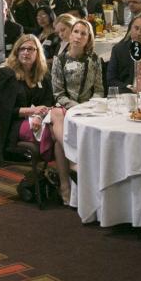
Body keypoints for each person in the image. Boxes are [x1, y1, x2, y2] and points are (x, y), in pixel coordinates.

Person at [0, 34, 56, 187]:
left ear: (38, 52)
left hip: (37, 120)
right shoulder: (7, 74)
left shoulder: (42, 74)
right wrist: (33, 112)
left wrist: (38, 114)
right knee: (57, 133)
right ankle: (67, 173)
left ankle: (63, 178)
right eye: (22, 49)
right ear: (17, 52)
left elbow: (48, 101)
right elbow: (5, 111)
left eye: (31, 49)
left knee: (59, 122)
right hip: (13, 126)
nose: (26, 52)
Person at [47, 19, 103, 202]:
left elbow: (99, 90)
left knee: (57, 142)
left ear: (89, 39)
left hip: (89, 108)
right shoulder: (59, 60)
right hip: (66, 107)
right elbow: (58, 94)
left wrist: (89, 107)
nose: (78, 36)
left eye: (83, 34)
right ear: (70, 35)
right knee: (58, 115)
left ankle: (67, 188)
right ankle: (74, 167)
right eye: (76, 32)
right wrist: (76, 108)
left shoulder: (94, 59)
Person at [107, 15, 141, 93]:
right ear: (130, 29)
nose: (139, 33)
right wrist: (131, 87)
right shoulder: (119, 50)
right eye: (136, 28)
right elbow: (111, 79)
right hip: (128, 93)